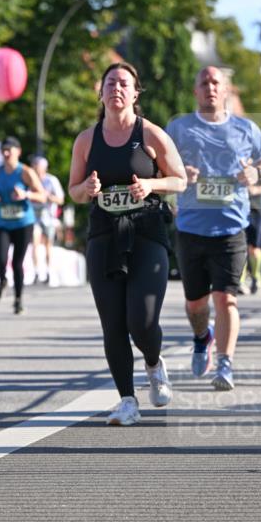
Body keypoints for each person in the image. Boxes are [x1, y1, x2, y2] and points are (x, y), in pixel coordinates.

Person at [68, 61, 187, 426]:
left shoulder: (150, 134)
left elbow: (180, 179)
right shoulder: (87, 140)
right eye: (110, 83)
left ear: (135, 93)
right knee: (113, 324)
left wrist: (152, 185)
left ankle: (153, 362)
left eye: (124, 84)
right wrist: (85, 190)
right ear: (100, 92)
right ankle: (126, 400)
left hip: (148, 233)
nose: (116, 89)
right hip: (105, 236)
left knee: (142, 319)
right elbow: (73, 190)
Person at [166, 66, 261, 390]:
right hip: (190, 227)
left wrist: (256, 172)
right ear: (196, 91)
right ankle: (202, 337)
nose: (210, 87)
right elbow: (157, 161)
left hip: (231, 227)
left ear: (225, 90)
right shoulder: (179, 127)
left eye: (216, 82)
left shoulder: (245, 128)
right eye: (204, 82)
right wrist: (179, 170)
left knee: (226, 298)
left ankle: (225, 363)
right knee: (196, 303)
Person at [0, 137, 46, 314]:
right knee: (0, 260)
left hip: (23, 224)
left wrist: (26, 194)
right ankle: (3, 280)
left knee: (17, 262)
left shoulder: (25, 172)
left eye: (9, 150)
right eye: (3, 150)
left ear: (17, 152)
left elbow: (42, 196)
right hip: (2, 223)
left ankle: (18, 300)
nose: (5, 153)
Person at [30, 155, 65, 284]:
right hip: (34, 217)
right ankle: (36, 273)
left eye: (36, 165)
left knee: (48, 245)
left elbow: (61, 199)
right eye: (33, 165)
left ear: (43, 167)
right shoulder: (31, 180)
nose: (34, 168)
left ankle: (49, 272)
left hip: (48, 217)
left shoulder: (51, 180)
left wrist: (47, 196)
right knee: (34, 242)